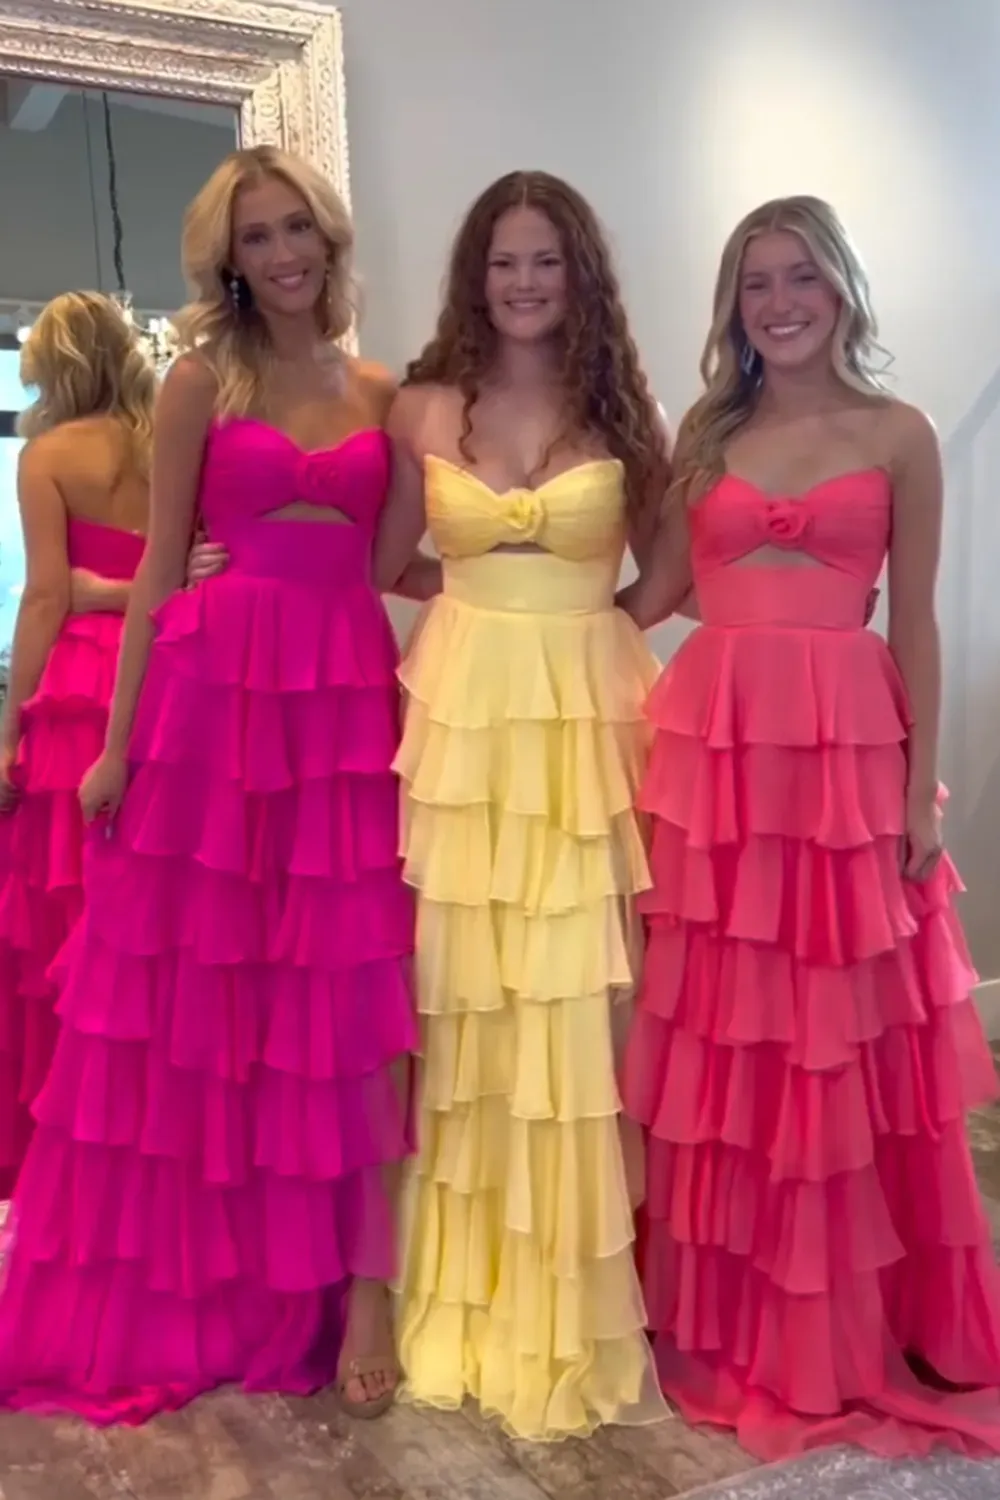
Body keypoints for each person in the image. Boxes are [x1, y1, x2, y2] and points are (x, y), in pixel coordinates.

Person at [0, 145, 418, 1423]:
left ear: (328, 237)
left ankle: (358, 1293)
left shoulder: (381, 390)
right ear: (228, 260)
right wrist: (116, 747)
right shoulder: (199, 382)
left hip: (342, 700)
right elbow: (158, 574)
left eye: (296, 228)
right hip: (213, 696)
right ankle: (208, 1277)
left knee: (342, 998)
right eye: (255, 237)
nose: (281, 254)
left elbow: (395, 560)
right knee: (203, 994)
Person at [619, 194, 1000, 1460]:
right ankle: (736, 1321)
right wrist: (482, 585)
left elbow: (917, 621)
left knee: (842, 1040)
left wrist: (919, 790)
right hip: (719, 757)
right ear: (732, 307)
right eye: (756, 283)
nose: (779, 304)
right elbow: (654, 594)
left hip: (846, 758)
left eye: (801, 279)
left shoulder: (899, 433)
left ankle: (855, 1325)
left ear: (841, 292)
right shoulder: (705, 435)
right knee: (731, 1033)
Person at [376, 169, 673, 1441]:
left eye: (546, 260)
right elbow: (383, 553)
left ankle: (568, 1302)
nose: (524, 282)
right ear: (474, 276)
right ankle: (460, 1287)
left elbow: (671, 566)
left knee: (573, 1000)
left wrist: (589, 628)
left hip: (582, 721)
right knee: (459, 1001)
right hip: (462, 718)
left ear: (579, 272)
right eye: (503, 262)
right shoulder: (422, 404)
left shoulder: (622, 409)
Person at [0, 292, 152, 1199]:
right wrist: (138, 592)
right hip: (162, 680)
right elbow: (191, 573)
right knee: (145, 913)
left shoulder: (48, 456)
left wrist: (8, 728)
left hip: (78, 693)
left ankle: (75, 1143)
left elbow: (47, 597)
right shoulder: (167, 446)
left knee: (65, 907)